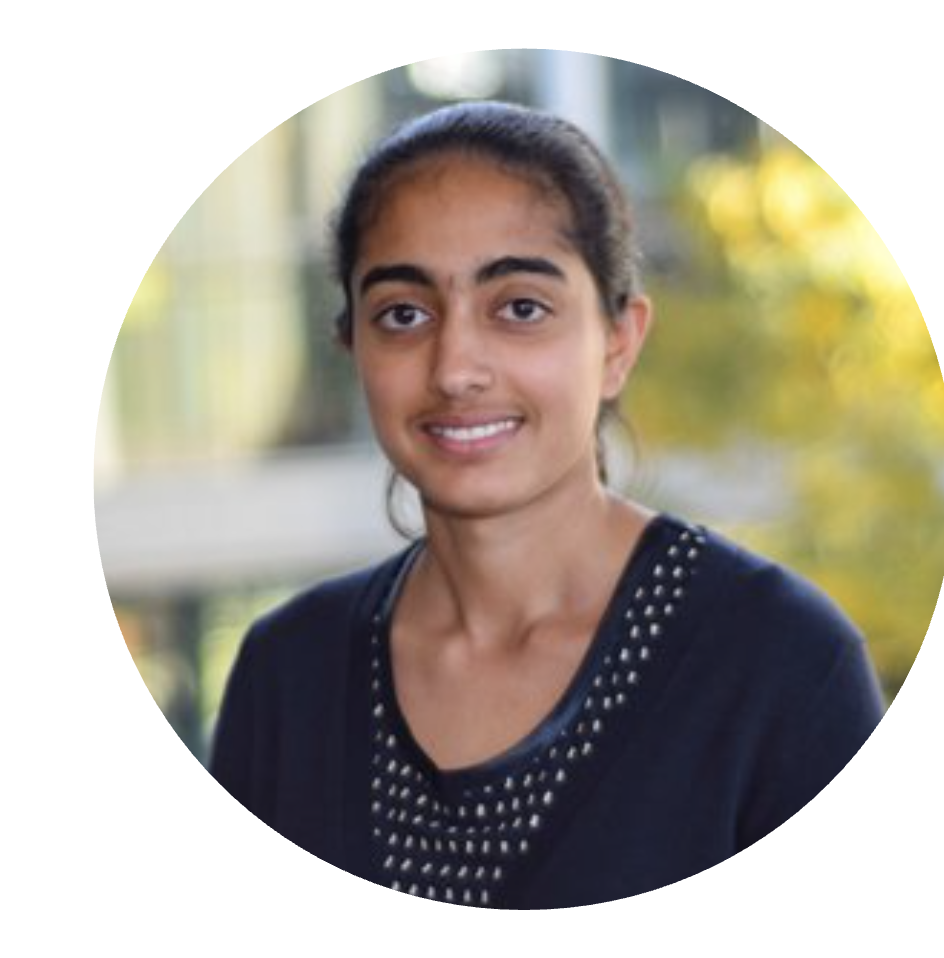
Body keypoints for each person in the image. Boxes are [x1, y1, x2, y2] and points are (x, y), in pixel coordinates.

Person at [209, 100, 884, 909]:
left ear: (618, 343)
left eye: (520, 308)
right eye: (403, 314)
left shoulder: (781, 666)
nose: (456, 366)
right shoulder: (288, 674)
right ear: (353, 344)